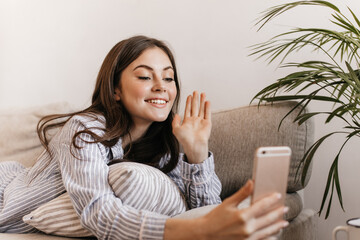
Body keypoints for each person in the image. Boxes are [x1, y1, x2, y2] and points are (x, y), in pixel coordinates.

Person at [0, 35, 288, 239]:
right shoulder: (85, 130)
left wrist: (197, 151)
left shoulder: (163, 146)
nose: (161, 86)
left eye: (168, 77)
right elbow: (98, 213)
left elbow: (204, 211)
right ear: (115, 90)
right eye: (145, 77)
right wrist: (196, 232)